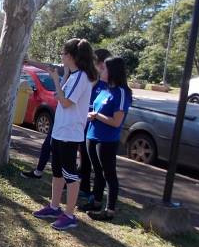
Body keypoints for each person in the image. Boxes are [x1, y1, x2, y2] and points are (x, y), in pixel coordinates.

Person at [31, 38, 98, 231]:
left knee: (70, 175)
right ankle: (54, 206)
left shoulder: (82, 77)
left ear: (71, 56)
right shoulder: (73, 75)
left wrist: (55, 80)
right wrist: (63, 76)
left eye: (63, 53)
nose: (61, 56)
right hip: (60, 131)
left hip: (70, 133)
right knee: (58, 172)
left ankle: (69, 215)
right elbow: (60, 97)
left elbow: (66, 102)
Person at [20, 48, 111, 180]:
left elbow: (68, 100)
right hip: (64, 119)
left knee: (77, 157)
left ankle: (77, 183)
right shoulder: (75, 72)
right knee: (50, 147)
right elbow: (50, 68)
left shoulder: (88, 77)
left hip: (76, 122)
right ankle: (42, 172)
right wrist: (29, 62)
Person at [81, 57, 132, 221]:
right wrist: (91, 115)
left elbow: (117, 122)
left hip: (107, 140)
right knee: (97, 171)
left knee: (108, 173)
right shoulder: (104, 89)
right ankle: (96, 202)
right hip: (92, 135)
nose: (101, 71)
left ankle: (109, 210)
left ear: (113, 71)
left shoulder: (121, 92)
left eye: (104, 69)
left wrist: (97, 116)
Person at [78, 48, 112, 202]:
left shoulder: (109, 86)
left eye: (95, 63)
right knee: (84, 157)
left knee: (97, 164)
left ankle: (96, 194)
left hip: (99, 130)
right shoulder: (94, 80)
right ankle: (84, 187)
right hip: (86, 125)